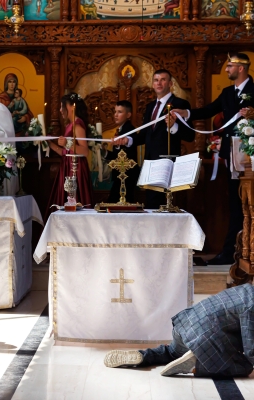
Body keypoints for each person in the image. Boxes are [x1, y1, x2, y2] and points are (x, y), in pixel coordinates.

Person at [173, 53, 254, 265]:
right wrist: (186, 113)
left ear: (241, 68)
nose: (226, 69)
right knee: (235, 204)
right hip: (232, 157)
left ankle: (245, 251)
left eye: (230, 66)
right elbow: (209, 110)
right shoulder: (227, 93)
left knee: (249, 205)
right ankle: (233, 251)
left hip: (250, 158)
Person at [104, 283, 254, 378]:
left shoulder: (246, 289)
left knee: (172, 352)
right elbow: (251, 350)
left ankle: (143, 356)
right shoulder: (252, 307)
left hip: (184, 325)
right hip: (204, 339)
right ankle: (194, 366)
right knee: (244, 366)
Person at [117, 69, 194, 209]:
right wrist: (128, 140)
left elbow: (190, 135)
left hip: (168, 162)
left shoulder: (180, 104)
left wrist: (173, 127)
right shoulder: (150, 107)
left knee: (167, 206)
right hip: (150, 163)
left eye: (163, 80)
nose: (159, 83)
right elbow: (145, 135)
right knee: (152, 204)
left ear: (170, 83)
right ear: (152, 84)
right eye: (156, 80)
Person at [46, 93, 94, 217]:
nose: (60, 110)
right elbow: (65, 153)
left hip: (76, 168)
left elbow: (84, 151)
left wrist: (67, 143)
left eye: (63, 106)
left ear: (72, 107)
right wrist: (49, 143)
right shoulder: (69, 125)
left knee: (76, 198)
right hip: (67, 166)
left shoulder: (77, 125)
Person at [102, 100, 139, 203]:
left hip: (127, 175)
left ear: (128, 115)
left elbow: (126, 154)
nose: (116, 115)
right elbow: (117, 155)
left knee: (119, 204)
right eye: (115, 111)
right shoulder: (121, 130)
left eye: (120, 112)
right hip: (120, 175)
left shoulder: (130, 130)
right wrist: (104, 152)